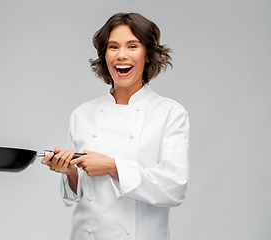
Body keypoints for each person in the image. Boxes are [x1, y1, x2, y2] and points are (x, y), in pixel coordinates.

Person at [41, 12, 190, 240]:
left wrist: (112, 166)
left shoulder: (170, 113)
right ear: (104, 55)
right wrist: (69, 171)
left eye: (132, 46)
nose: (122, 55)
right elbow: (81, 194)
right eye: (113, 47)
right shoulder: (82, 114)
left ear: (148, 55)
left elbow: (173, 188)